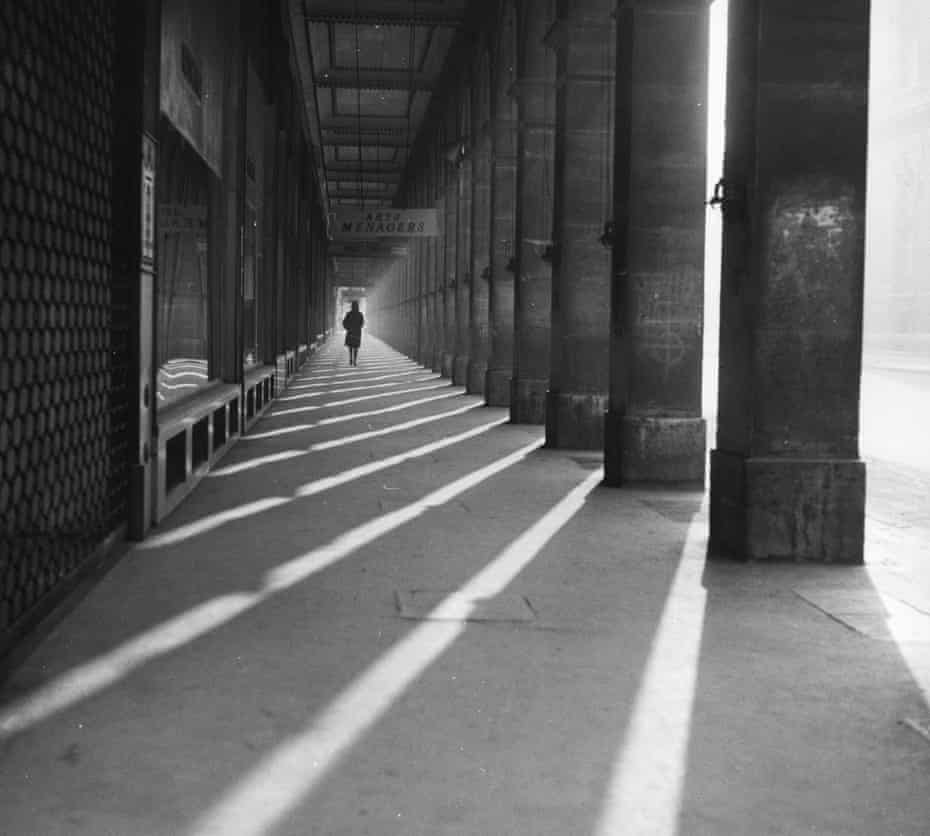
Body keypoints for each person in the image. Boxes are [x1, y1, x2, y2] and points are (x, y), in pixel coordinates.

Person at [342, 300, 364, 366]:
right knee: (356, 347)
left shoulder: (348, 314)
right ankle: (355, 360)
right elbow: (362, 323)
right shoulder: (360, 314)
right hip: (357, 332)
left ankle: (350, 359)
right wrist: (359, 327)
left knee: (350, 346)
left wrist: (347, 328)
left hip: (350, 332)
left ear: (352, 306)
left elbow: (344, 322)